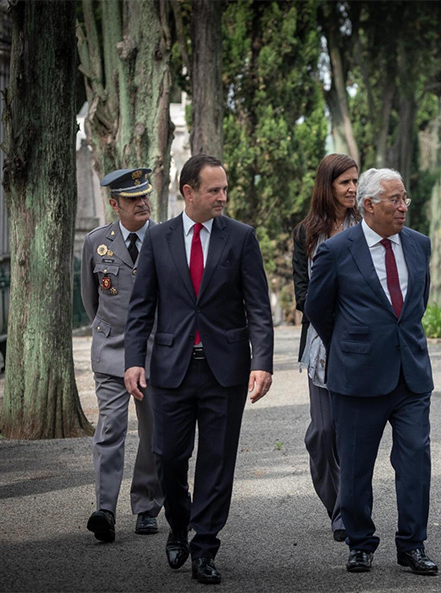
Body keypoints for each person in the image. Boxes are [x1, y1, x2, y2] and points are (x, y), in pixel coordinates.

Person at [124, 154, 274, 585]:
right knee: (168, 456)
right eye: (214, 190)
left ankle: (205, 545)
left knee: (217, 461)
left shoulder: (241, 237)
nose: (222, 197)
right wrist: (134, 359)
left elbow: (258, 307)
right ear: (188, 192)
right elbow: (141, 307)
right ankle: (178, 524)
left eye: (225, 189)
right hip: (169, 369)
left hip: (224, 371)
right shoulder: (159, 238)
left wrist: (261, 362)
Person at [305, 168, 437, 576]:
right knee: (357, 467)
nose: (403, 207)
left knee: (415, 460)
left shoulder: (419, 245)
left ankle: (412, 545)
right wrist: (352, 344)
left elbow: (418, 303)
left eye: (405, 199)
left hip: (410, 374)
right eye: (394, 200)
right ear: (368, 206)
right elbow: (317, 310)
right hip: (358, 376)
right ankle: (360, 544)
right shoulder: (337, 250)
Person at [81, 168, 164, 543]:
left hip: (154, 351)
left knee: (152, 432)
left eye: (145, 196)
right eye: (133, 199)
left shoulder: (165, 239)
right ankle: (105, 509)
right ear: (114, 204)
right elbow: (91, 299)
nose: (142, 203)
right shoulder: (97, 242)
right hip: (112, 348)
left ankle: (147, 505)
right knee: (111, 427)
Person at [292, 154, 360, 542]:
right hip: (320, 341)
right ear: (327, 186)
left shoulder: (367, 226)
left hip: (360, 343)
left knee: (349, 432)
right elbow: (303, 293)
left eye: (355, 181)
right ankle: (337, 505)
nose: (352, 189)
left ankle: (345, 514)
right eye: (344, 183)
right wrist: (332, 318)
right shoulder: (305, 233)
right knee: (322, 432)